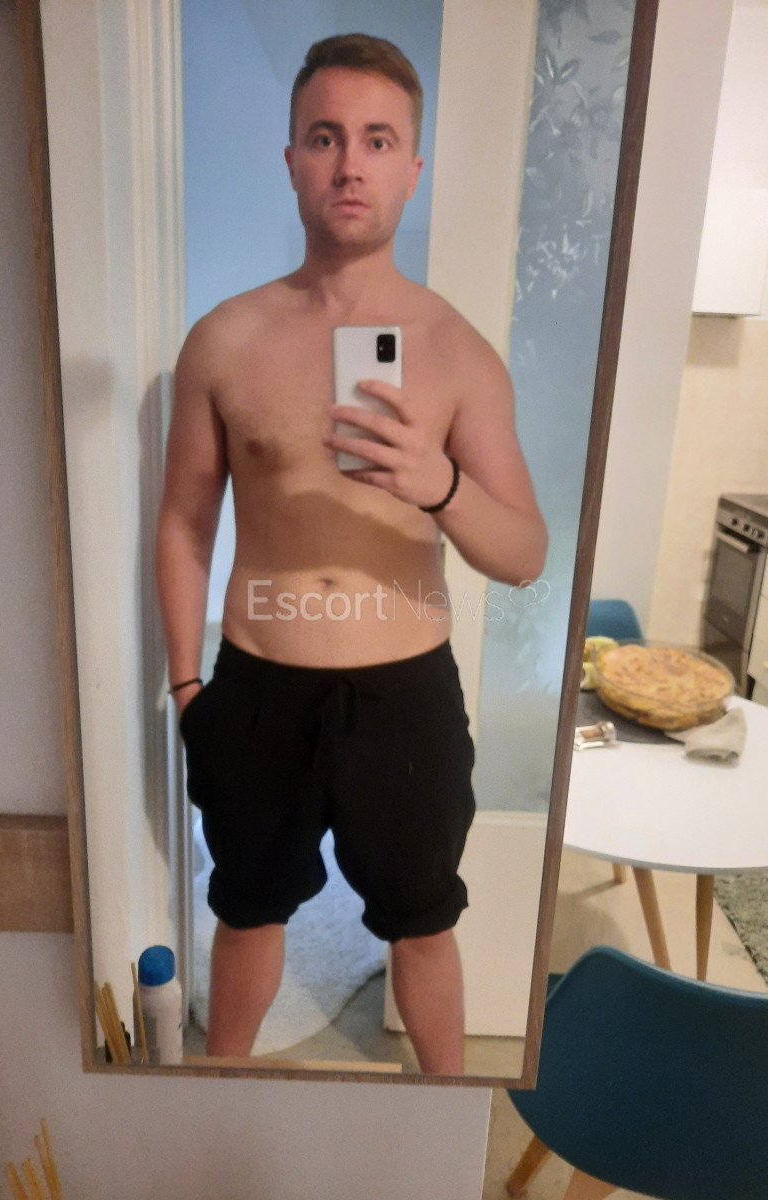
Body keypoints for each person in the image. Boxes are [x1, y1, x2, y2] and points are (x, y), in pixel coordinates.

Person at [156, 33, 547, 1075]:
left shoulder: (458, 351)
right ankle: (218, 1101)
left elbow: (525, 554)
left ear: (412, 167)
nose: (349, 164)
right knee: (245, 909)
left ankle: (445, 1123)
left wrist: (439, 482)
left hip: (404, 693)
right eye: (325, 137)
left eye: (377, 140)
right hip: (255, 686)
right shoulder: (224, 339)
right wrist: (189, 687)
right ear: (292, 158)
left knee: (423, 923)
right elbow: (184, 521)